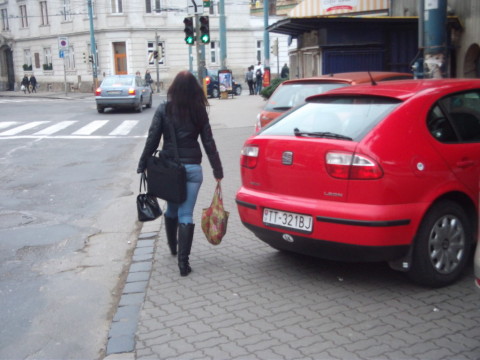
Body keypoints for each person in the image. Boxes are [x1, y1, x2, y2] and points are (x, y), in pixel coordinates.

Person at [137, 71, 223, 277]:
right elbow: (208, 142)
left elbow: (152, 139)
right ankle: (184, 264)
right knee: (186, 213)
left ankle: (173, 248)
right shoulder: (199, 111)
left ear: (173, 89)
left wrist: (143, 164)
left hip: (171, 171)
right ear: (195, 90)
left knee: (172, 209)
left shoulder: (164, 109)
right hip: (193, 170)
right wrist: (217, 170)